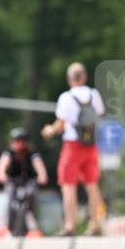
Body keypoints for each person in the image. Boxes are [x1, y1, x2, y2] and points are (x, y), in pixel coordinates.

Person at [41, 62, 105, 236]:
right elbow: (99, 113)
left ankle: (70, 225)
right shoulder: (94, 95)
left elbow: (60, 125)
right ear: (84, 77)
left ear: (69, 79)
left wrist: (49, 130)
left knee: (68, 185)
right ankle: (95, 224)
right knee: (92, 185)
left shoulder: (66, 97)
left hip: (72, 145)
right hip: (90, 144)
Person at [0, 128, 48, 236]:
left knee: (31, 195)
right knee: (10, 201)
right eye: (17, 141)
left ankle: (31, 226)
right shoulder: (8, 153)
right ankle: (8, 227)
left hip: (28, 180)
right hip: (12, 180)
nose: (19, 144)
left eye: (22, 141)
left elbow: (38, 164)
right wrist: (1, 174)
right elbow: (2, 165)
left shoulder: (32, 154)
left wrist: (42, 176)